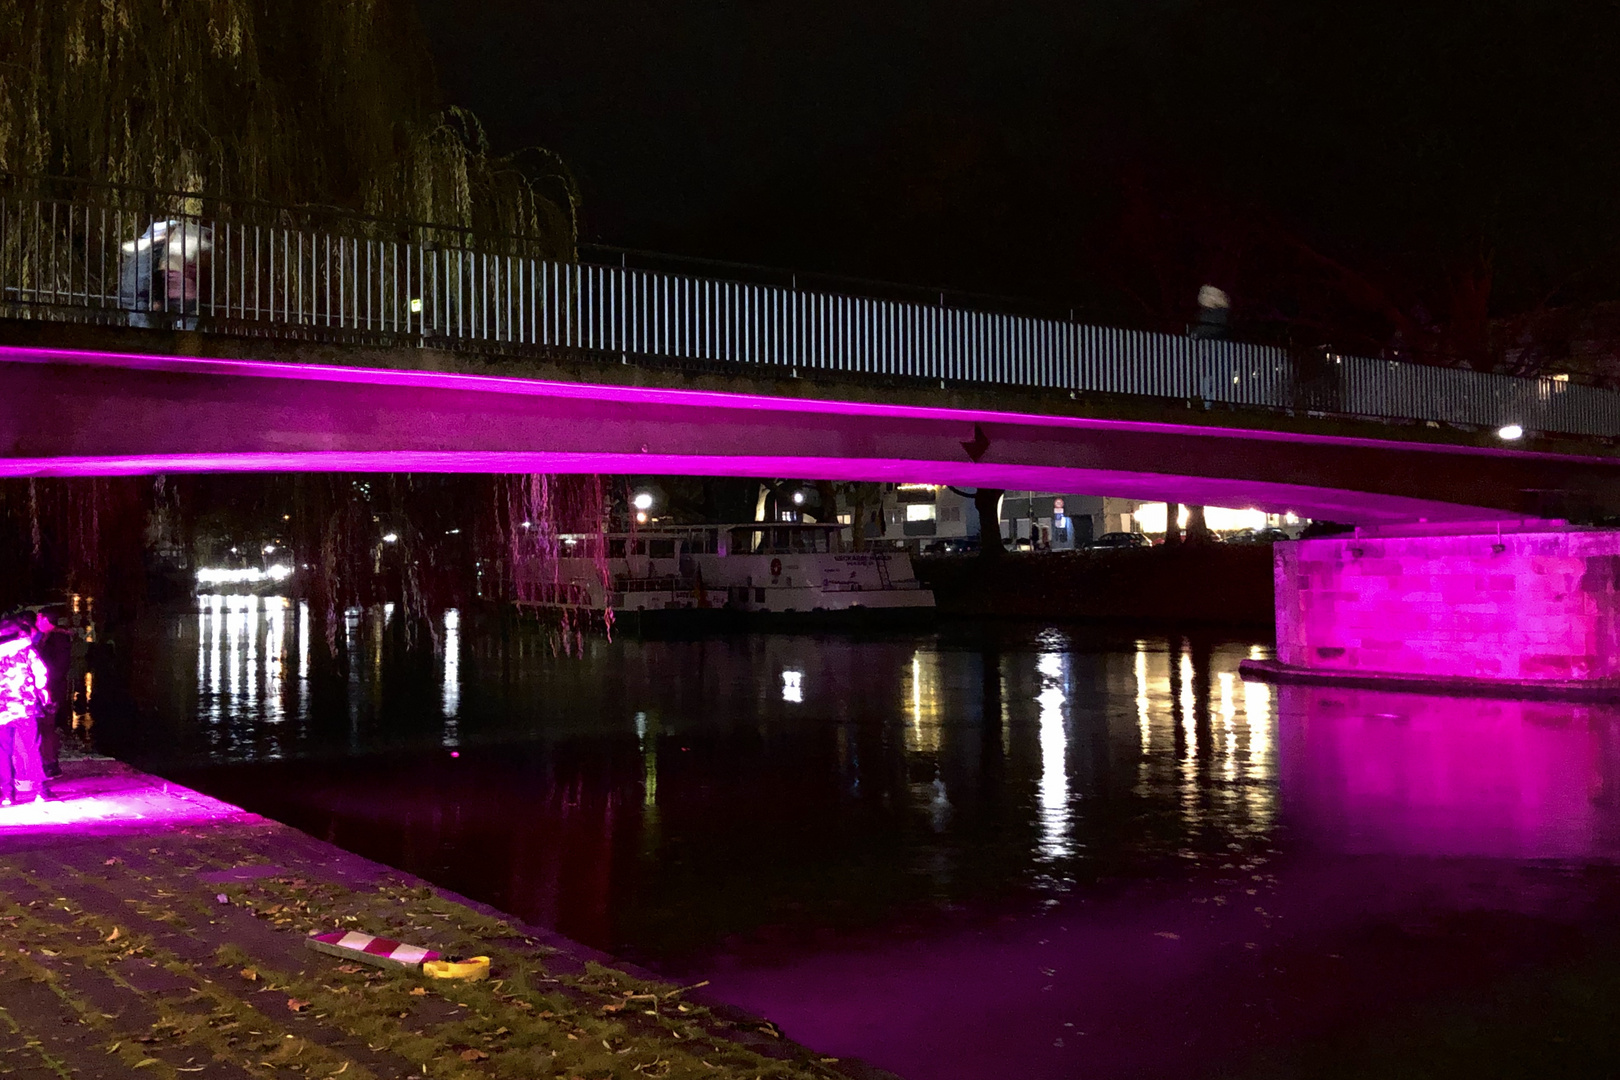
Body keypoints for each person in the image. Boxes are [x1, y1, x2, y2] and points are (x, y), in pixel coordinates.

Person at [0, 616, 51, 806]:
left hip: (2, 711)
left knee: (3, 751)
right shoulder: (27, 653)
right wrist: (40, 692)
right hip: (25, 709)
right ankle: (40, 790)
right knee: (31, 748)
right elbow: (41, 676)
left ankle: (7, 793)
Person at [32, 612, 70, 780]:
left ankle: (50, 764)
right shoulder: (48, 637)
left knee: (47, 726)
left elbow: (58, 667)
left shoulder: (58, 639)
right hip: (48, 688)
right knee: (45, 727)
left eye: (39, 618)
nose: (37, 621)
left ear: (46, 619)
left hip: (51, 689)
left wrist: (45, 685)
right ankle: (48, 763)